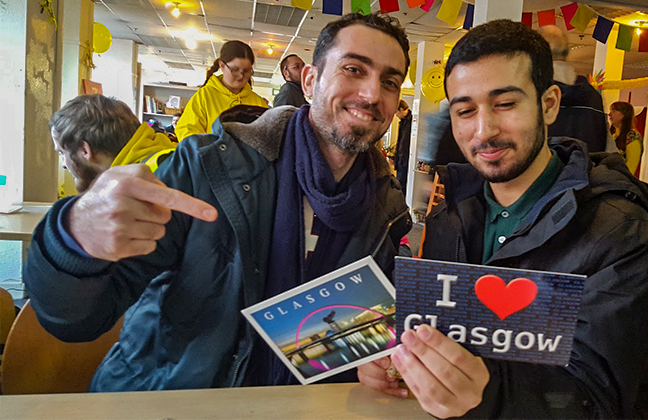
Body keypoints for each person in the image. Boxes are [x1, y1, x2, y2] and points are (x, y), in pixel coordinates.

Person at [23, 13, 412, 391]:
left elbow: (350, 336)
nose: (372, 94)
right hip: (176, 399)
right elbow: (76, 320)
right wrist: (73, 239)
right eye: (354, 70)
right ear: (310, 81)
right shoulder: (205, 168)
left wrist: (374, 364)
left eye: (390, 82)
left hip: (303, 406)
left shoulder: (387, 208)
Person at [358, 19, 648, 419]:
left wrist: (484, 394)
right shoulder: (453, 215)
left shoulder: (622, 232)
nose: (484, 131)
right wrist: (403, 360)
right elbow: (450, 334)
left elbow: (599, 400)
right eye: (464, 111)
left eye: (505, 104)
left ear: (549, 104)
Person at [50, 94, 176, 193]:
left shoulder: (135, 191)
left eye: (62, 153)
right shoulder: (163, 160)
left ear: (84, 150)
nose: (64, 166)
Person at [176, 40, 269, 141]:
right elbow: (186, 132)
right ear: (222, 66)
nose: (241, 76)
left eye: (246, 71)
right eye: (235, 69)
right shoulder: (204, 96)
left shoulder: (258, 102)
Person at [538, 25, 607, 153]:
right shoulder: (593, 97)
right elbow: (602, 148)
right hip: (583, 171)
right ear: (567, 53)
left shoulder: (536, 94)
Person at [608, 101, 643, 176]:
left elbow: (631, 167)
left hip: (620, 180)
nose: (609, 114)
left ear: (624, 114)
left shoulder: (632, 137)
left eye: (613, 111)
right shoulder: (612, 136)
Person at [393, 100, 412, 195]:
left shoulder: (411, 121)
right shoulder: (403, 122)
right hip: (401, 159)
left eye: (396, 112)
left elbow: (405, 143)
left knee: (402, 186)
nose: (395, 115)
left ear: (400, 109)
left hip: (406, 159)